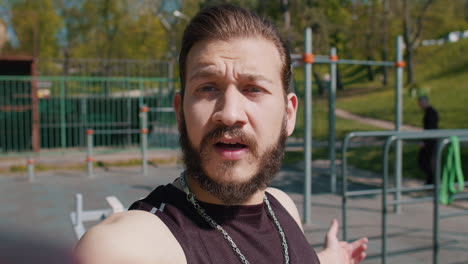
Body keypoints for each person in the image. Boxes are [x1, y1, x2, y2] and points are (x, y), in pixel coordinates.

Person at [74, 4, 368, 263]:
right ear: (180, 112)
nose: (229, 113)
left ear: (289, 114)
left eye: (253, 89)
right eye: (207, 88)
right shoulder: (134, 244)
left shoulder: (282, 207)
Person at [417, 95, 439, 185]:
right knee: (428, 162)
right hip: (431, 140)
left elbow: (430, 127)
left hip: (430, 141)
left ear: (425, 102)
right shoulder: (430, 112)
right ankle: (431, 181)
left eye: (420, 103)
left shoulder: (430, 112)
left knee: (425, 162)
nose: (419, 105)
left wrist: (424, 141)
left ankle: (432, 181)